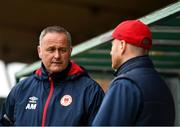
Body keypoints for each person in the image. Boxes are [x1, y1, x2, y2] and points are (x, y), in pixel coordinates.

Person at [0, 26, 104, 126]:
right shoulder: (21, 89)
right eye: (51, 49)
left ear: (70, 51)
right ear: (39, 51)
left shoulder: (90, 90)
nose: (57, 56)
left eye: (62, 50)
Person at [92, 20, 175, 126]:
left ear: (122, 45)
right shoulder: (162, 85)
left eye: (112, 45)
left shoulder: (124, 85)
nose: (111, 52)